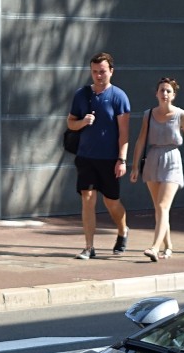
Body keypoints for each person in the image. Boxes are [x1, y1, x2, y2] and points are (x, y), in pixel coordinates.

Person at [130, 77, 184, 261]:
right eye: (162, 90)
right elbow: (140, 140)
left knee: (163, 206)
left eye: (168, 91)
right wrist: (135, 166)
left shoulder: (182, 115)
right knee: (159, 208)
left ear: (174, 95)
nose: (164, 94)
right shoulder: (148, 114)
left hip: (172, 159)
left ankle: (154, 247)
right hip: (153, 158)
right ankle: (168, 246)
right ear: (156, 93)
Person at [67, 52, 131, 259]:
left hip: (109, 158)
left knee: (111, 202)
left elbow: (124, 133)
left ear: (111, 71)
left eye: (102, 72)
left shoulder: (119, 97)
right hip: (86, 157)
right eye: (94, 72)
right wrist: (82, 122)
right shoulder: (81, 95)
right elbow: (70, 123)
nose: (98, 76)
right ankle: (89, 247)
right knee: (87, 198)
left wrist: (122, 159)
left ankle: (123, 230)